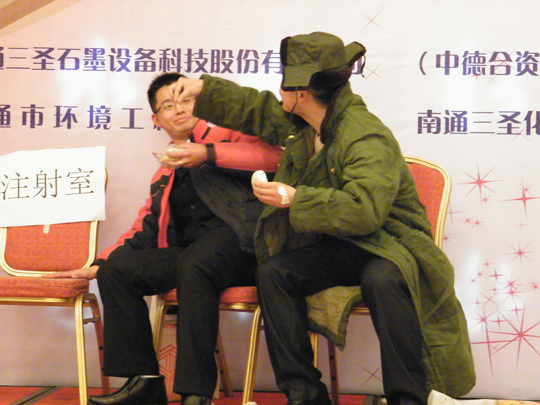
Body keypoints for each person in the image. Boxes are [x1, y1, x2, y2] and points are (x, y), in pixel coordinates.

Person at [167, 32, 476, 405]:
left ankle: (407, 397)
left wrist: (298, 199)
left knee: (381, 279)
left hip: (390, 244)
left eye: (284, 83)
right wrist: (203, 88)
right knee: (274, 273)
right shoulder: (305, 125)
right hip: (341, 245)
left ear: (301, 93)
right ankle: (305, 395)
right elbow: (255, 109)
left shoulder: (365, 135)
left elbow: (365, 211)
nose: (278, 91)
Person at [45, 72, 282, 405]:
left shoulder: (230, 136)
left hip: (242, 246)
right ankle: (143, 382)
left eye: (187, 100)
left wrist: (207, 153)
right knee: (118, 272)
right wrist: (100, 263)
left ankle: (196, 393)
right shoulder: (165, 171)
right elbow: (144, 227)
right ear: (157, 119)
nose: (180, 109)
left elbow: (275, 158)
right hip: (192, 255)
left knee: (195, 264)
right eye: (168, 105)